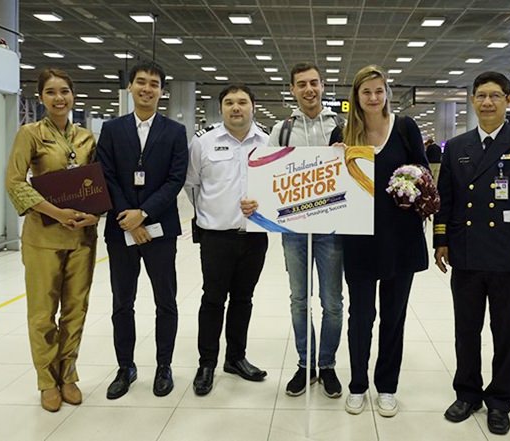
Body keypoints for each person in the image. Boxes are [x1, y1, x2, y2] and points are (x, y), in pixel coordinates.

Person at [433, 71, 510, 435]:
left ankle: (500, 400)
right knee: (466, 330)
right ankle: (467, 392)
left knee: (507, 333)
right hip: (466, 254)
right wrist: (441, 240)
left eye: (495, 96)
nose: (487, 102)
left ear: (509, 101)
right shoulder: (458, 146)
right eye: (481, 95)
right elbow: (445, 199)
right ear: (472, 100)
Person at [330, 65, 428, 418]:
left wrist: (411, 181)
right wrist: (336, 160)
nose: (373, 97)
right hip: (359, 241)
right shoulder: (343, 134)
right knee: (360, 316)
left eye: (379, 91)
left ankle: (387, 385)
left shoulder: (404, 127)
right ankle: (358, 384)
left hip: (400, 238)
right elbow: (332, 191)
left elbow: (424, 171)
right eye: (366, 92)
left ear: (387, 93)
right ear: (356, 97)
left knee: (393, 316)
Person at [5, 68, 99, 412]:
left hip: (83, 237)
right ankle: (47, 380)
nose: (59, 98)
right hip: (43, 234)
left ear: (73, 95)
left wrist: (94, 214)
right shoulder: (29, 134)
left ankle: (68, 374)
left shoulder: (86, 138)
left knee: (76, 309)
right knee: (43, 313)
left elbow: (98, 184)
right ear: (41, 97)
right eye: (51, 92)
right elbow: (15, 182)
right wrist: (58, 214)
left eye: (64, 91)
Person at [96, 61, 188, 400]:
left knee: (166, 301)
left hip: (161, 227)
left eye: (154, 84)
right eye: (141, 82)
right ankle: (126, 367)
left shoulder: (175, 132)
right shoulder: (112, 129)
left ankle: (164, 366)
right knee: (123, 302)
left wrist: (144, 214)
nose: (147, 89)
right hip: (121, 229)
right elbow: (106, 176)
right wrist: (128, 218)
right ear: (131, 87)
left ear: (162, 91)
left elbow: (175, 179)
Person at [184, 84, 269, 395]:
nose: (236, 108)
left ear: (252, 107)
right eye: (230, 102)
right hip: (216, 236)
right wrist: (209, 212)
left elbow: (275, 187)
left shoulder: (268, 142)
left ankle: (236, 358)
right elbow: (191, 184)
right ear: (221, 109)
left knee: (243, 299)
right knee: (213, 299)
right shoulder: (204, 143)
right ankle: (207, 362)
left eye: (242, 102)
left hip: (255, 236)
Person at [269, 62, 344, 398]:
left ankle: (326, 365)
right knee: (299, 300)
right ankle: (305, 363)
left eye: (314, 83)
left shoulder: (342, 126)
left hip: (332, 228)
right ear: (292, 89)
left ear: (323, 86)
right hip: (294, 229)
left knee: (332, 302)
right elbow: (267, 176)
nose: (309, 89)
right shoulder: (281, 130)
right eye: (302, 84)